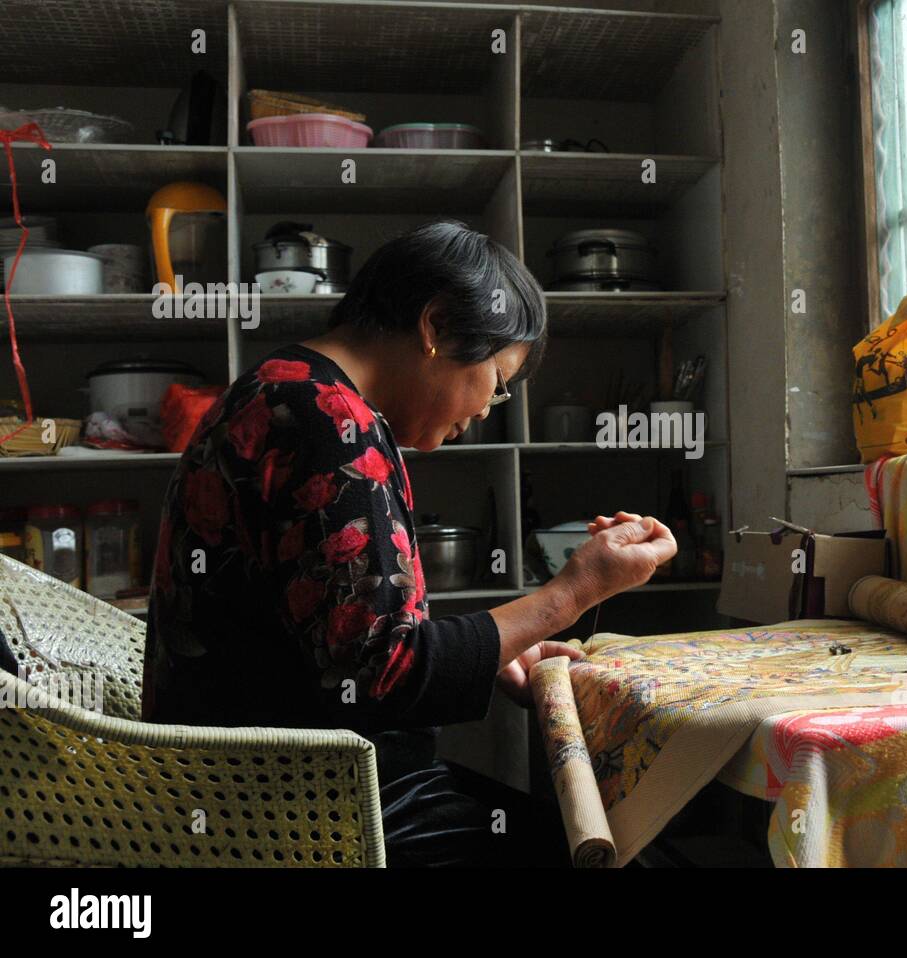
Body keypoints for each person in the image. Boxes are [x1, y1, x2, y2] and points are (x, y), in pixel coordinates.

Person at [143, 220, 677, 866]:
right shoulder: (329, 422)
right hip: (298, 815)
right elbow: (380, 671)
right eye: (497, 379)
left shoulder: (287, 387)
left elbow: (349, 636)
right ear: (435, 328)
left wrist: (497, 648)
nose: (489, 407)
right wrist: (575, 589)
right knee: (624, 855)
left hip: (268, 788)